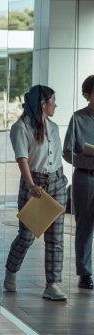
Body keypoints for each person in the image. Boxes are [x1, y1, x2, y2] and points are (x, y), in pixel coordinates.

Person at [4, 85, 68, 301]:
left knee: (55, 239)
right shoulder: (20, 127)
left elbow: (56, 156)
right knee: (26, 236)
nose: (55, 105)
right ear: (42, 103)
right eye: (53, 100)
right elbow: (22, 159)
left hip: (57, 184)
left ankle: (52, 284)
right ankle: (11, 272)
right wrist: (31, 186)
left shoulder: (54, 127)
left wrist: (61, 178)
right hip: (35, 184)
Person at [63, 75, 94, 290]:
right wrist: (89, 159)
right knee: (84, 228)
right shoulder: (78, 118)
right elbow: (67, 153)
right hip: (85, 178)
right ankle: (85, 274)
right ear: (87, 95)